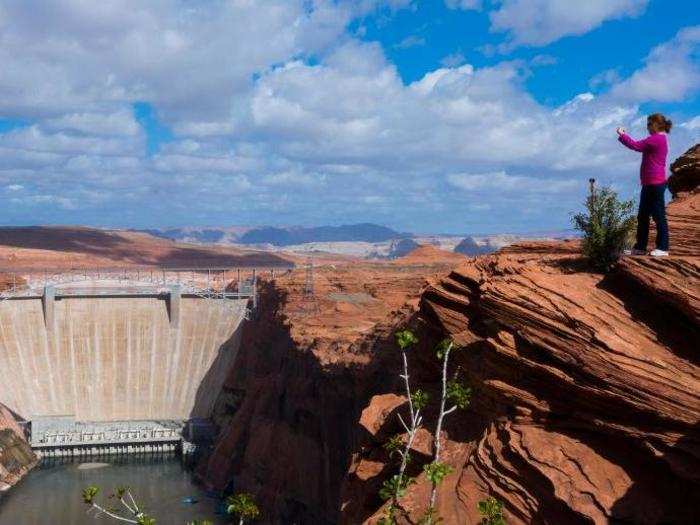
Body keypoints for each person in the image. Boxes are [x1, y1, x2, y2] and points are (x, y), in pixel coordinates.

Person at [617, 113, 672, 257]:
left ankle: (663, 248)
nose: (647, 127)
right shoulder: (657, 139)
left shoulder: (657, 139)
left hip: (656, 183)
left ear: (655, 124)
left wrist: (622, 134)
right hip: (648, 183)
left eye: (648, 124)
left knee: (659, 215)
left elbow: (635, 145)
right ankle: (640, 247)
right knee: (642, 216)